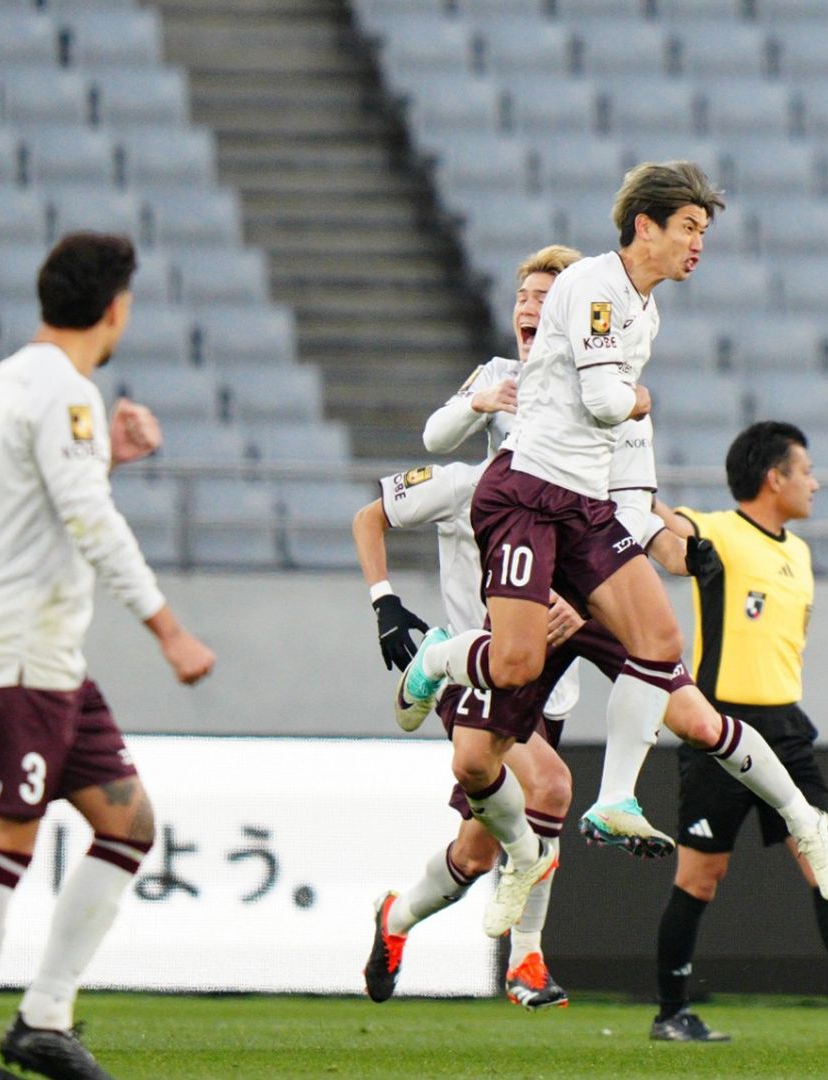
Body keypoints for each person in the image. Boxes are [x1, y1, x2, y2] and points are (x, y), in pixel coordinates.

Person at [396, 162, 828, 939]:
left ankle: (780, 818)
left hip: (583, 509)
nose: (698, 245)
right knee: (502, 687)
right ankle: (442, 659)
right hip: (529, 495)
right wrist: (642, 398)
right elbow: (611, 403)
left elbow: (631, 482)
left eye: (704, 232)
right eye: (689, 228)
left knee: (664, 647)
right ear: (646, 225)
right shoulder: (599, 289)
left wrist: (667, 538)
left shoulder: (643, 311)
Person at [0, 233, 216, 1080]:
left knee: (129, 823)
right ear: (116, 307)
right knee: (5, 838)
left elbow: (43, 496)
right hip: (10, 652)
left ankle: (43, 1017)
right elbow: (88, 521)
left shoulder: (18, 379)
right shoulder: (64, 392)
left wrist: (104, 457)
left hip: (45, 654)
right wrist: (168, 628)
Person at [353, 245, 587, 1011]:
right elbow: (395, 483)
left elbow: (609, 531)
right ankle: (527, 962)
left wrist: (580, 604)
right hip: (480, 665)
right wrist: (385, 601)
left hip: (549, 669)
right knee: (550, 786)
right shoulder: (468, 485)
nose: (530, 305)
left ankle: (396, 918)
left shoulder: (586, 427)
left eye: (546, 296)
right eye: (524, 293)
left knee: (474, 852)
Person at [646, 422, 828, 1044]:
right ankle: (670, 1015)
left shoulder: (798, 552)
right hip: (720, 728)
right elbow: (662, 527)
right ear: (775, 478)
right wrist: (626, 481)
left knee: (827, 856)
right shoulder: (718, 531)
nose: (816, 484)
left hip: (787, 729)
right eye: (806, 472)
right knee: (700, 878)